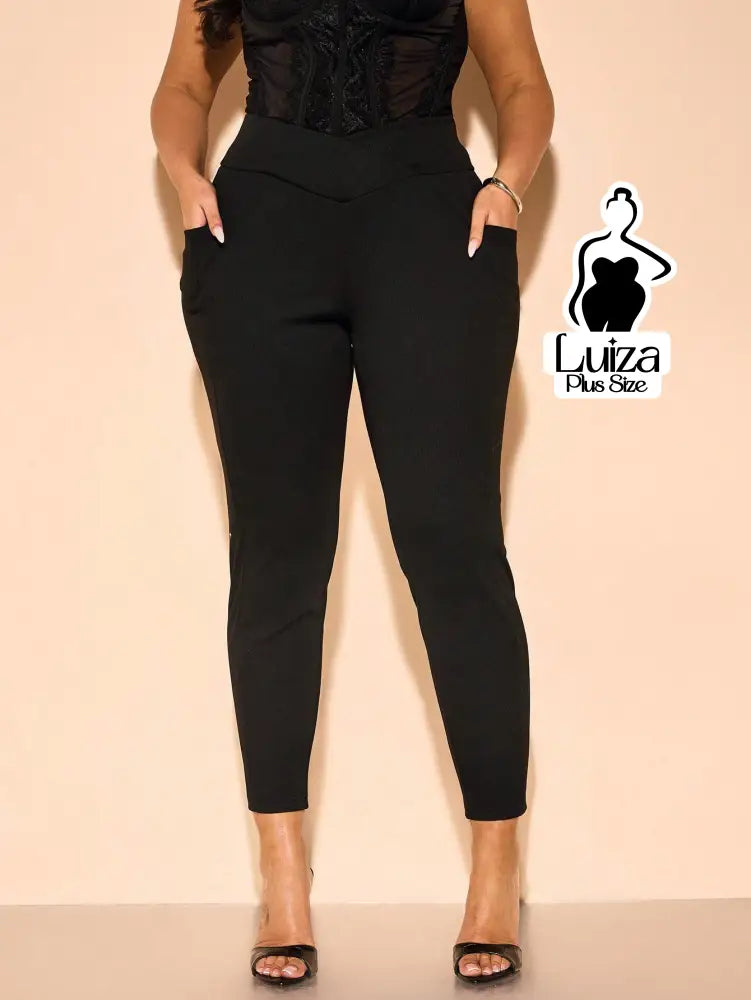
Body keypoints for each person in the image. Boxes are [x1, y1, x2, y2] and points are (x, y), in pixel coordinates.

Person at [150, 0, 554, 985]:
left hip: (429, 225)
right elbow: (185, 83)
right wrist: (185, 175)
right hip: (261, 230)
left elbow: (520, 82)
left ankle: (496, 871)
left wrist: (507, 183)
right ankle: (281, 880)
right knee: (276, 559)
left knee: (453, 549)